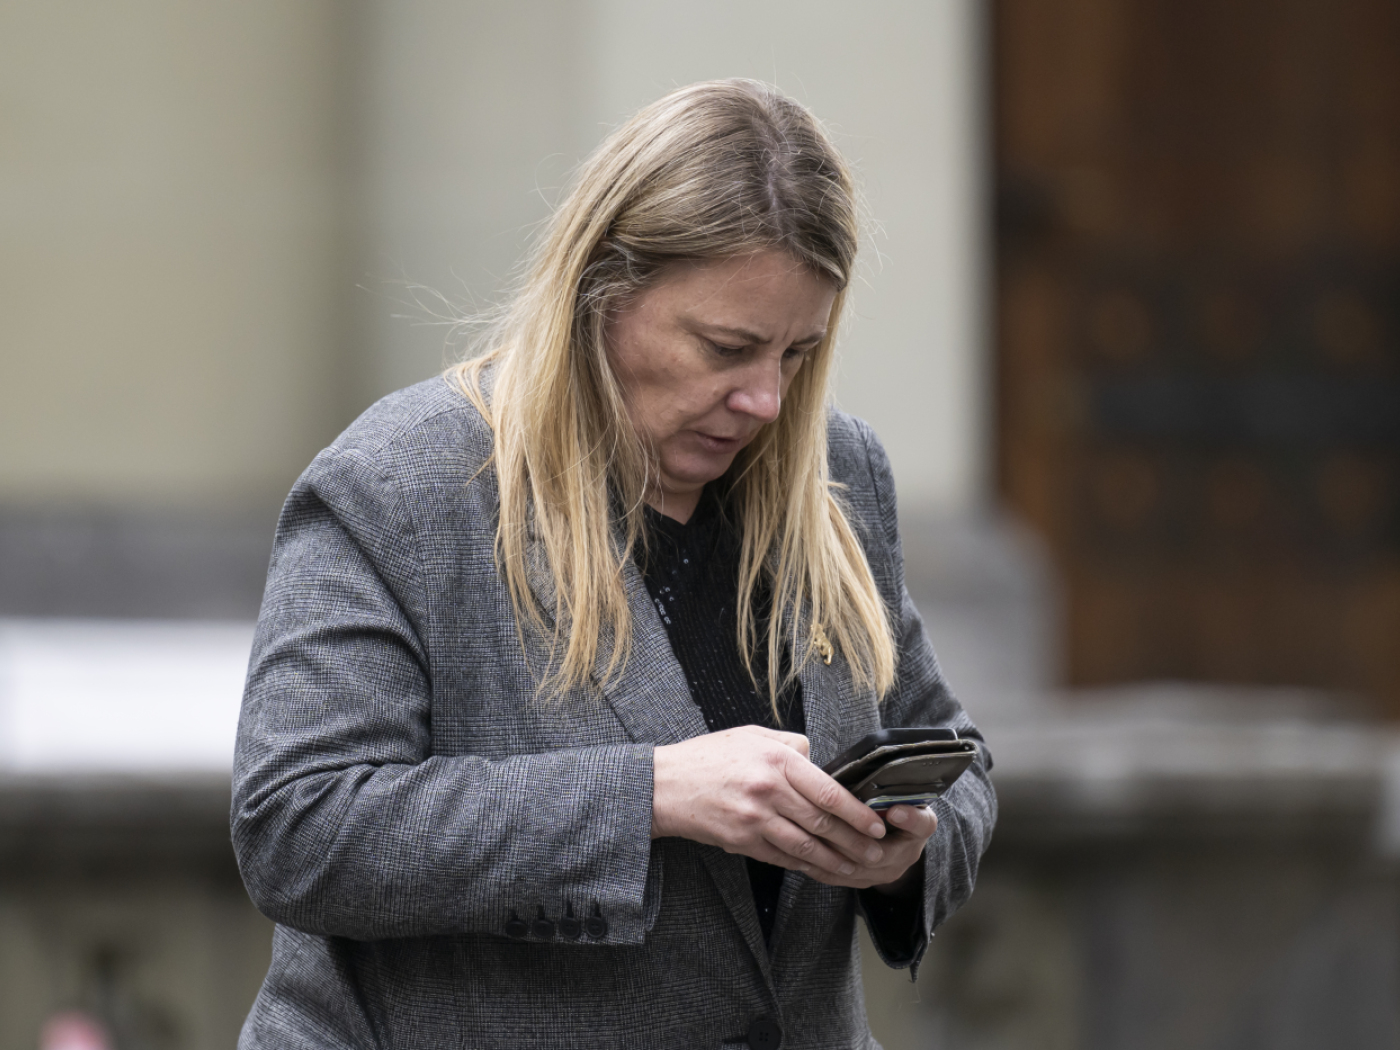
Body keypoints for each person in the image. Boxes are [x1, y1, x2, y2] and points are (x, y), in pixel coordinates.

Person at [231, 78, 996, 1049]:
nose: (765, 400)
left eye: (796, 354)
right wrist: (650, 794)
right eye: (725, 347)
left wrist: (900, 855)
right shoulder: (400, 486)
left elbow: (958, 762)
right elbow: (296, 828)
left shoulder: (838, 473)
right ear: (601, 291)